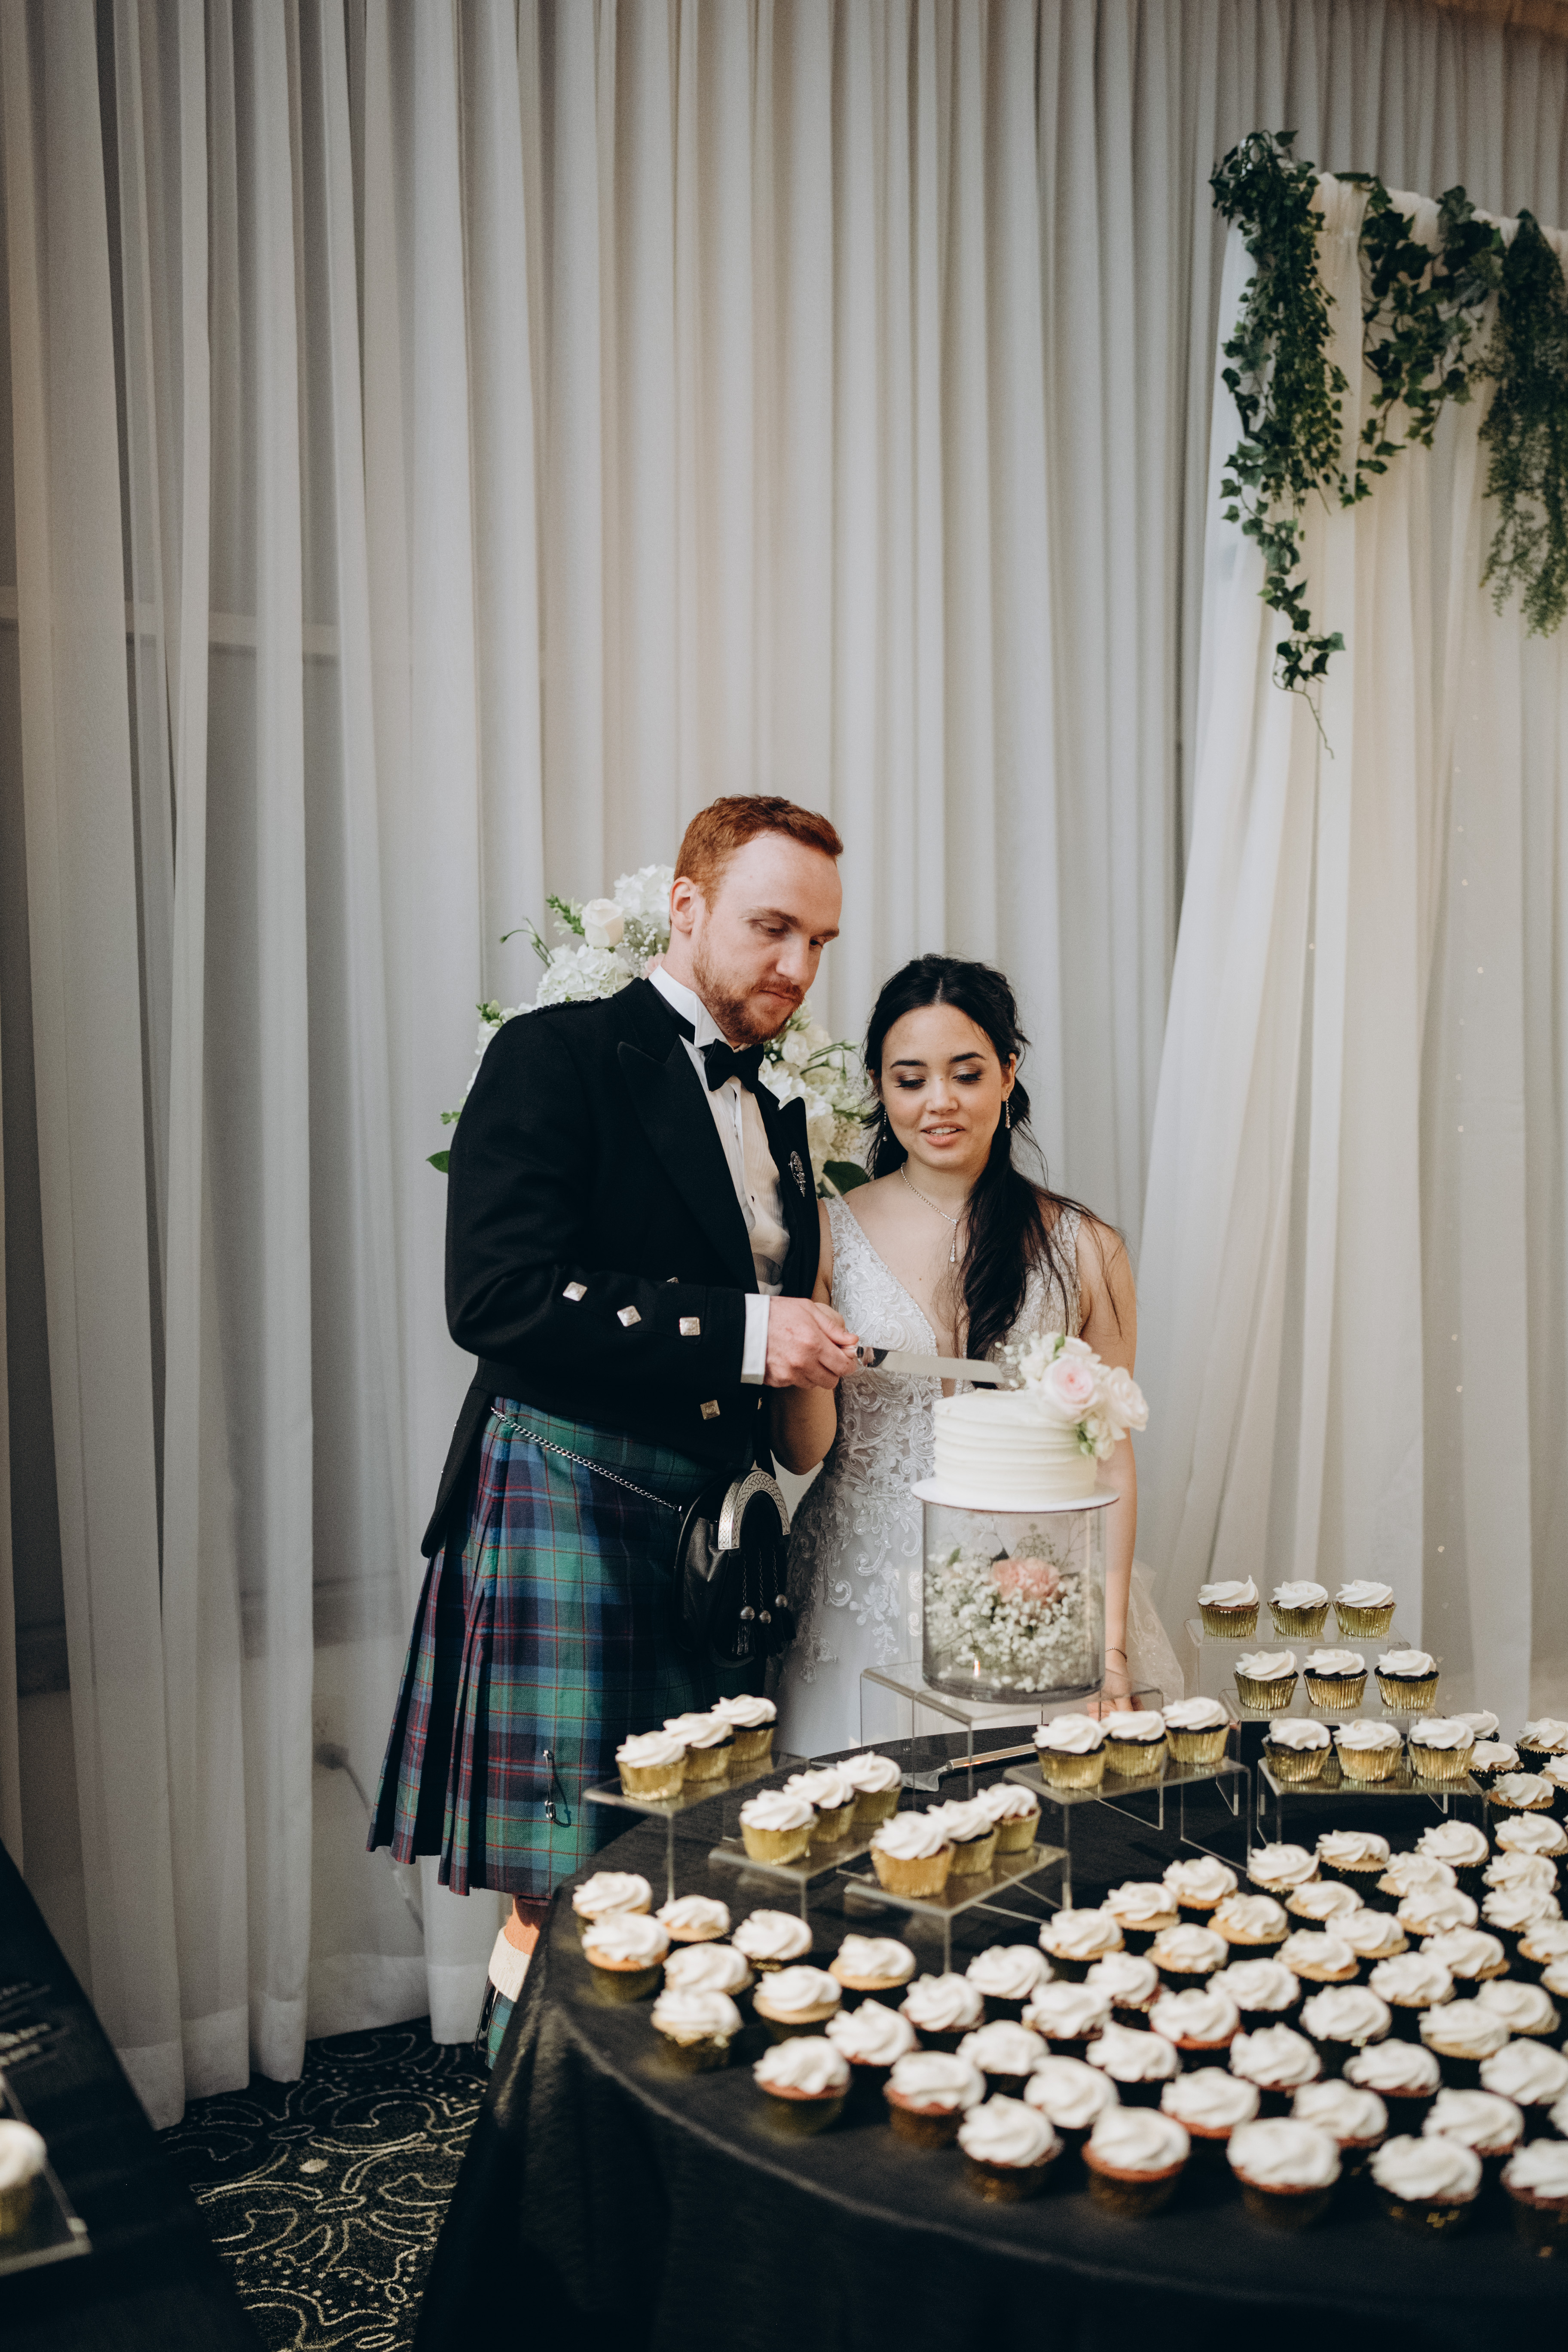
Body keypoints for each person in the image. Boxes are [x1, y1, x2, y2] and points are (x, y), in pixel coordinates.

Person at [369, 796, 861, 2061]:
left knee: (682, 1870)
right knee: (570, 1885)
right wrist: (749, 1332)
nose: (798, 967)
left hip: (707, 1526)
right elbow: (495, 1296)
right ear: (685, 907)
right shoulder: (558, 1054)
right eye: (771, 928)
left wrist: (804, 1362)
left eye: (818, 941)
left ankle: (628, 2140)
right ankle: (524, 2146)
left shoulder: (780, 1114)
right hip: (568, 1493)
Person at [772, 954, 1178, 1756]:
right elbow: (800, 1450)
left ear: (1007, 1073)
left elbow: (1110, 1460)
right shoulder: (824, 1232)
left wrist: (1107, 1647)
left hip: (1037, 1586)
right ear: (879, 1088)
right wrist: (811, 1364)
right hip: (861, 1586)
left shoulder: (1087, 1248)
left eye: (965, 1074)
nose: (940, 1102)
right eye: (910, 1079)